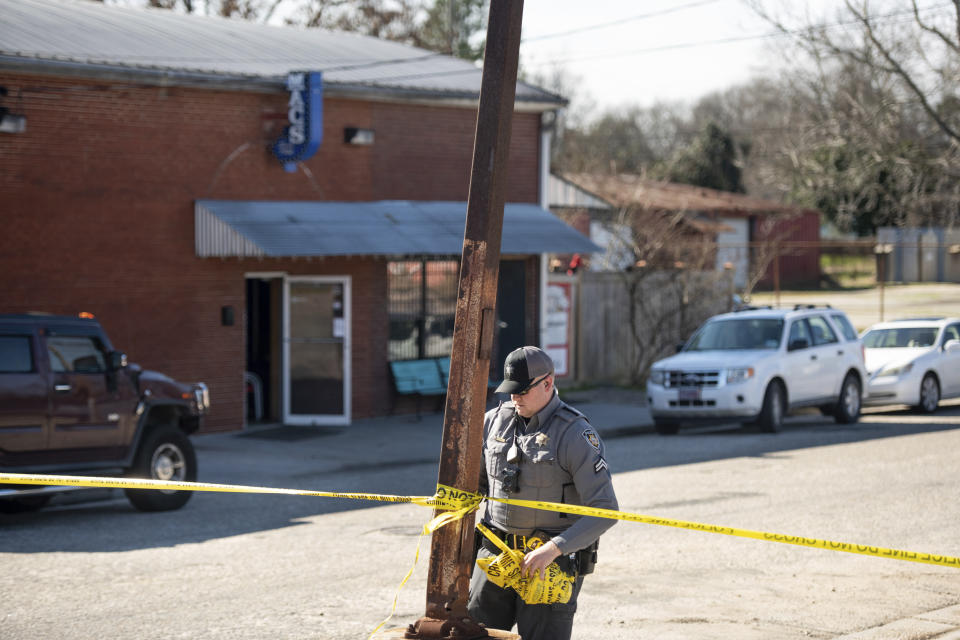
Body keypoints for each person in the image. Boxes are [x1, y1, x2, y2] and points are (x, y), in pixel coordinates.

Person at [468, 346, 618, 640]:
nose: (514, 397)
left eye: (522, 390)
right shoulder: (493, 422)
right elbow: (478, 487)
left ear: (547, 383)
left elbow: (605, 509)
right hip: (495, 558)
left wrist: (554, 549)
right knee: (474, 634)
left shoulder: (574, 433)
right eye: (511, 390)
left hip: (548, 564)